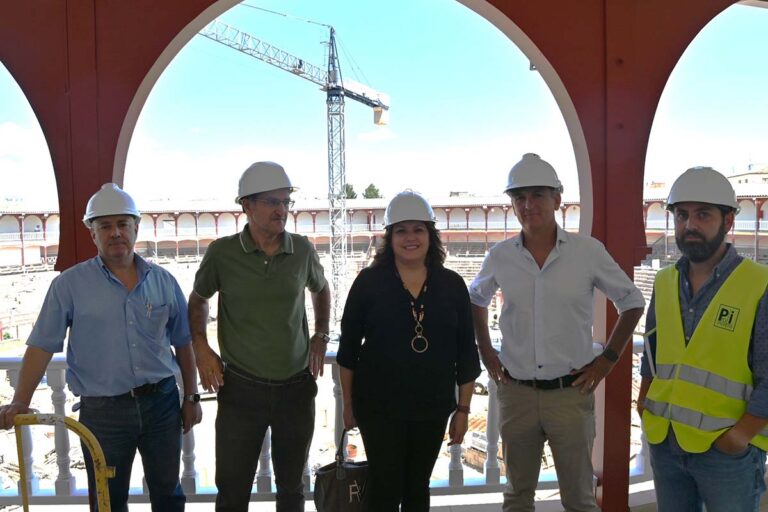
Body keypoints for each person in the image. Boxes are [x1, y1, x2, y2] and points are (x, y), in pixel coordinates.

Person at [0, 183, 202, 511]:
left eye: (123, 224)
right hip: (104, 413)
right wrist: (20, 400)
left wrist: (191, 397)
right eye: (105, 226)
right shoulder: (68, 285)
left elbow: (183, 343)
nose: (115, 233)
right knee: (107, 500)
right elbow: (41, 347)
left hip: (162, 404)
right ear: (92, 233)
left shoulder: (164, 281)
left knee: (168, 493)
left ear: (136, 228)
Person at [469, 153, 645, 512]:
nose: (527, 205)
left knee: (579, 499)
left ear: (557, 199)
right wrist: (486, 350)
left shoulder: (587, 252)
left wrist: (607, 360)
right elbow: (476, 299)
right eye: (519, 197)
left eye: (537, 195)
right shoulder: (500, 256)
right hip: (516, 393)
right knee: (517, 497)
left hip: (570, 394)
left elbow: (632, 301)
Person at [189, 161, 331, 512]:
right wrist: (201, 347)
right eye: (271, 202)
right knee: (232, 489)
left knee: (292, 488)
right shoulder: (222, 253)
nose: (281, 210)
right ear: (247, 206)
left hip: (295, 388)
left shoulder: (302, 250)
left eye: (285, 202)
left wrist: (321, 334)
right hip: (240, 389)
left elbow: (321, 288)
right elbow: (198, 300)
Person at [337, 190, 481, 512]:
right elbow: (348, 352)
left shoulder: (452, 285)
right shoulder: (368, 282)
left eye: (418, 229)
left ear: (431, 235)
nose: (410, 238)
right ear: (390, 238)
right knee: (384, 491)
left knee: (417, 489)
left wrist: (463, 410)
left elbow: (466, 355)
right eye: (401, 230)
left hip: (432, 409)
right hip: (378, 409)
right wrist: (348, 404)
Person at [638, 167, 768, 512]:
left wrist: (740, 436)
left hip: (727, 453)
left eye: (703, 214)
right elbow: (651, 352)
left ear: (728, 221)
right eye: (682, 215)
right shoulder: (664, 281)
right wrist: (644, 404)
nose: (689, 225)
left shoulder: (760, 285)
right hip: (666, 442)